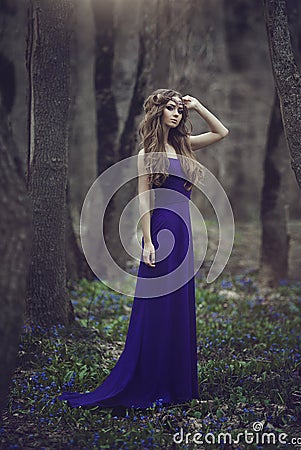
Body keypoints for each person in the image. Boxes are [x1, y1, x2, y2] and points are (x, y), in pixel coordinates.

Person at [58, 88, 229, 411]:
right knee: (157, 304)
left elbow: (222, 132)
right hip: (162, 229)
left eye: (180, 109)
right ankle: (150, 380)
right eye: (171, 108)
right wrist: (148, 242)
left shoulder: (185, 147)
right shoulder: (146, 154)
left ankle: (179, 385)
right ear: (158, 112)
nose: (177, 114)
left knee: (179, 304)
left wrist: (199, 106)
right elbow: (145, 200)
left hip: (184, 231)